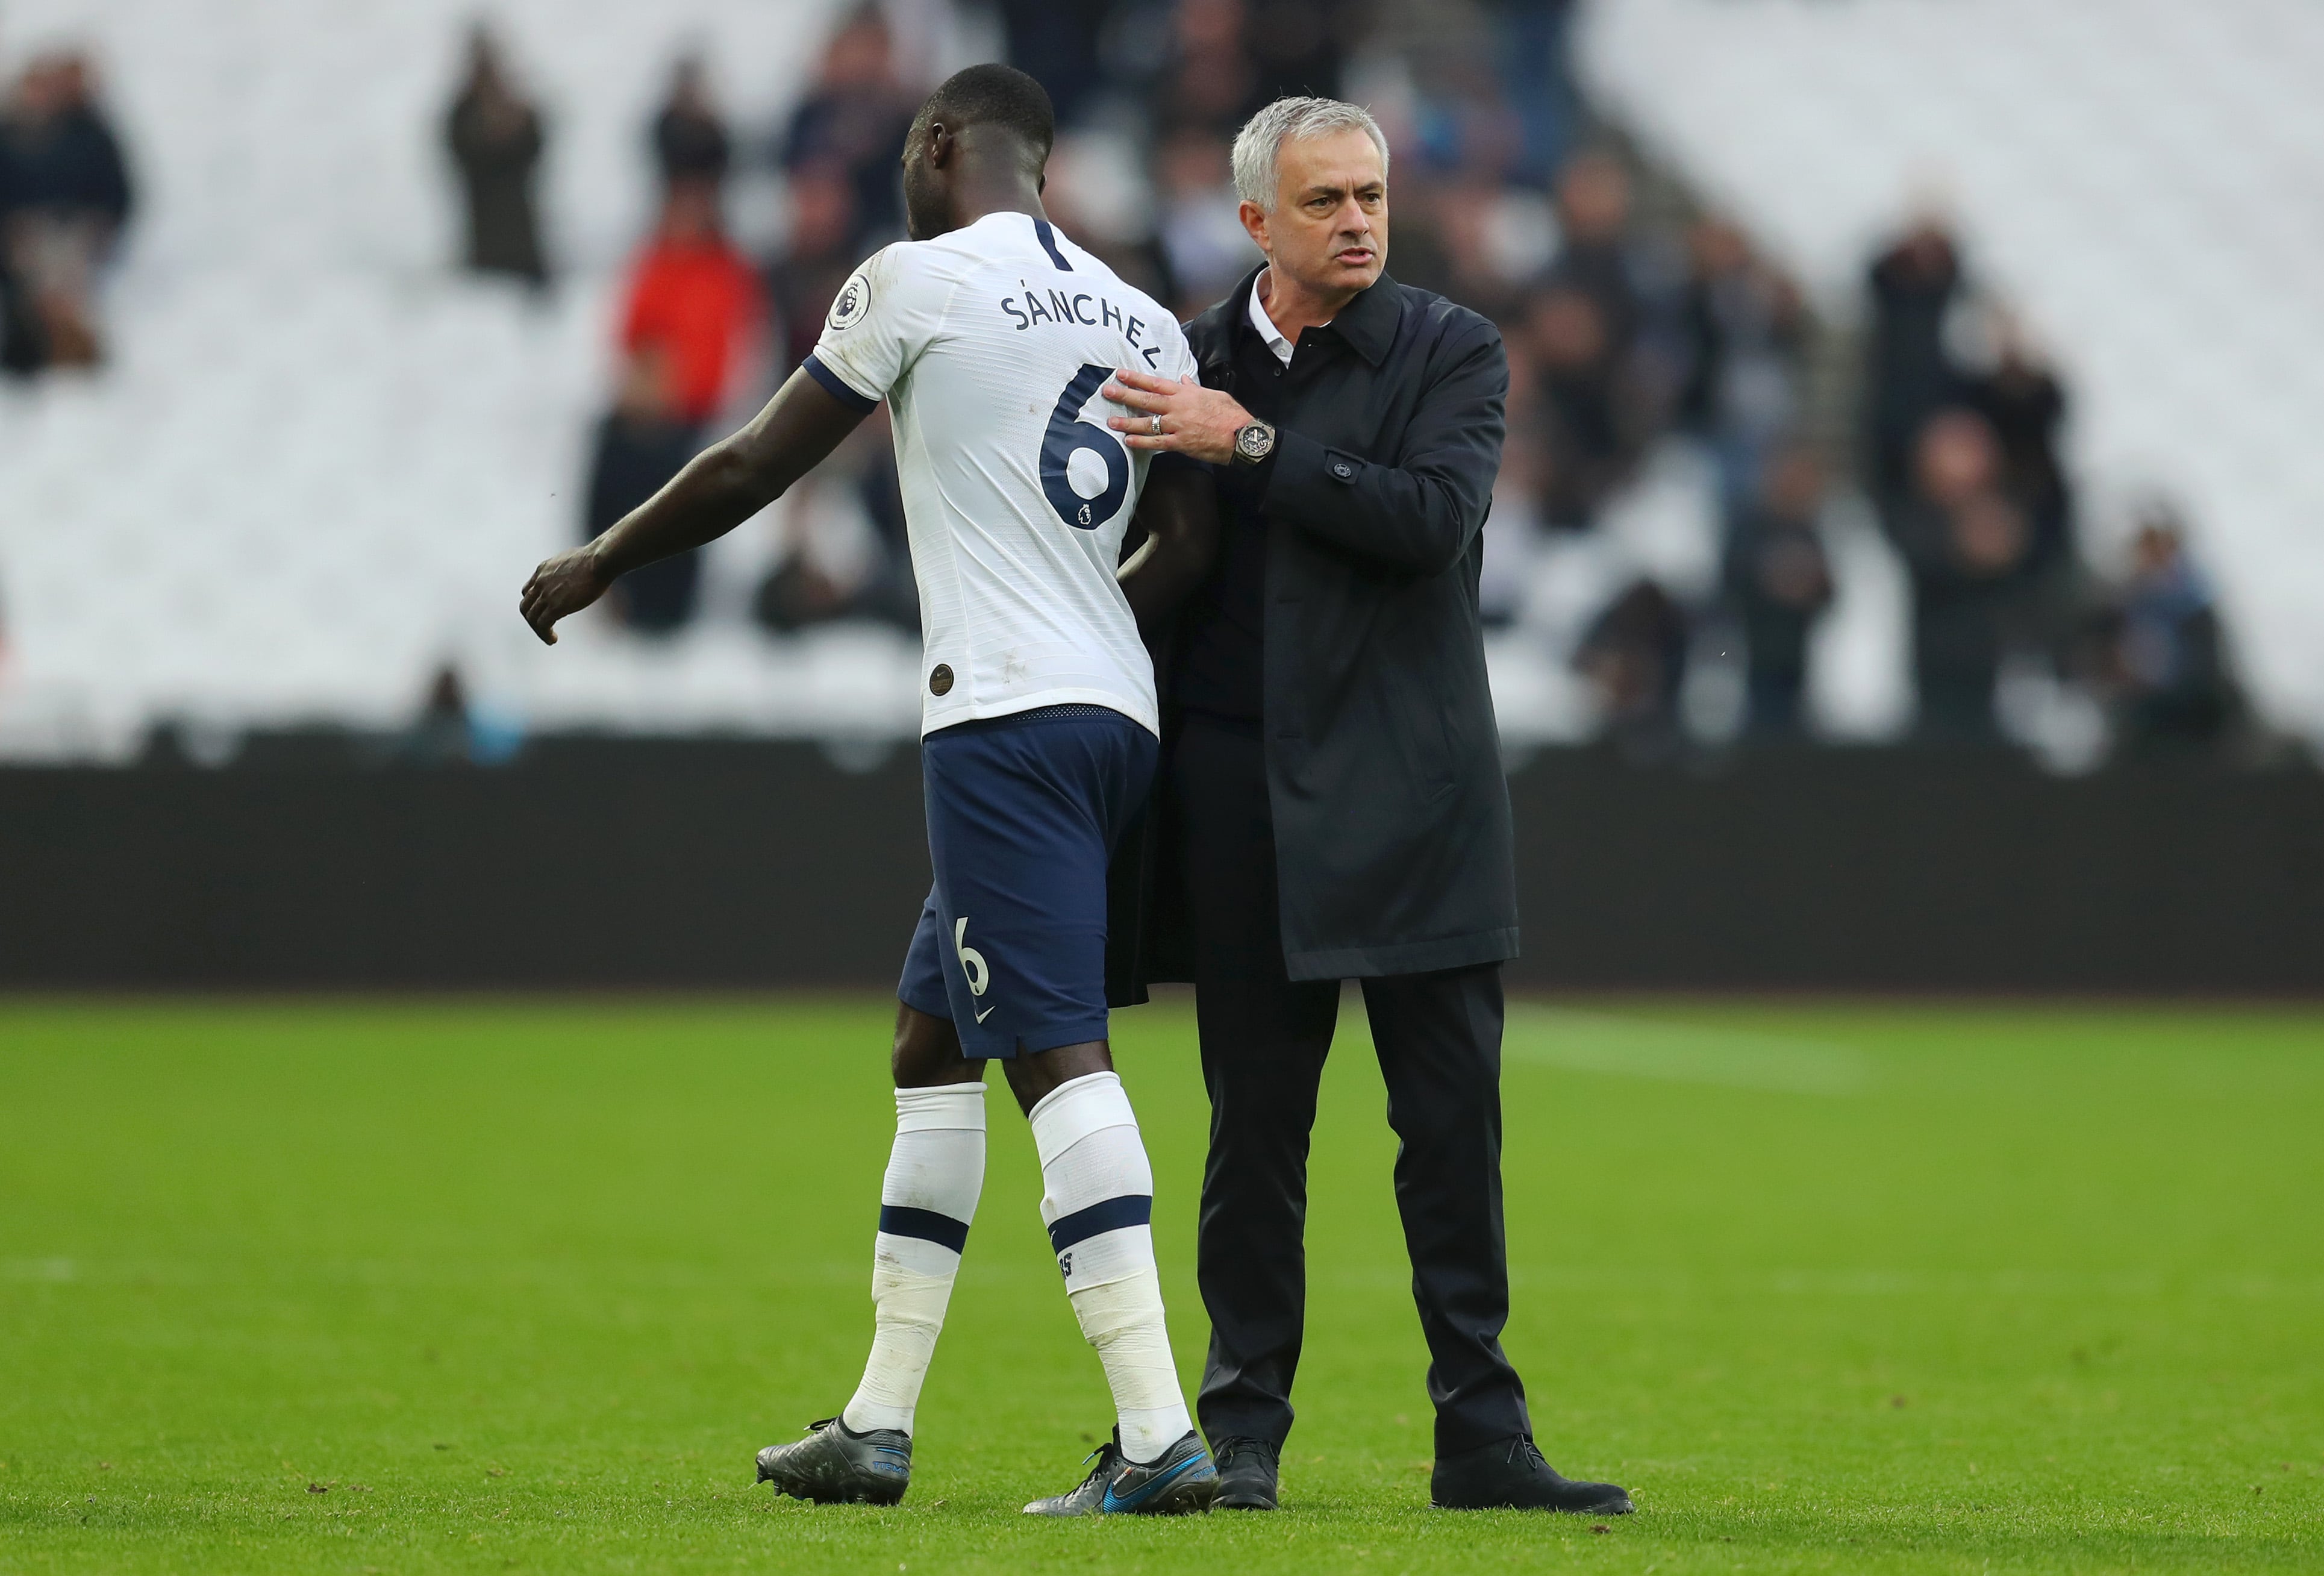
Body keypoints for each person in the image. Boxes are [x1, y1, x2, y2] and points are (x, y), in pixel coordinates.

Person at [519, 63, 1225, 1517]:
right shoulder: (1143, 311)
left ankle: (1160, 1435)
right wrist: (1091, 628)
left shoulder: (914, 279)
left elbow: (755, 462)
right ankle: (876, 1421)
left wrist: (603, 559)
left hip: (1003, 720)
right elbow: (1195, 544)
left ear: (939, 145)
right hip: (1113, 716)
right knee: (930, 1039)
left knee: (1053, 1051)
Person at [1095, 95, 1632, 1517]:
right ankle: (1242, 1428)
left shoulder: (1449, 348)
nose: (1356, 222)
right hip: (1239, 787)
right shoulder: (1180, 357)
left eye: (1371, 198)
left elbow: (1430, 520)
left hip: (1413, 786)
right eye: (1324, 200)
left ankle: (1483, 1434)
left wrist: (1251, 447)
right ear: (1253, 220)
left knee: (1449, 1125)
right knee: (1253, 1128)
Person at [618, 179, 762, 428]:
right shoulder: (653, 266)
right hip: (658, 407)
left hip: (708, 411)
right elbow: (635, 336)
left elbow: (746, 344)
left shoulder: (730, 273)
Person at [1722, 443, 1834, 739]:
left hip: (1803, 663)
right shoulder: (1749, 529)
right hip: (1752, 661)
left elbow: (1832, 592)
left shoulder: (1815, 530)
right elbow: (1731, 585)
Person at [445, 27, 548, 286]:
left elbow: (535, 147)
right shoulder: (464, 113)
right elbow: (462, 151)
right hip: (485, 237)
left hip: (524, 239)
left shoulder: (517, 108)